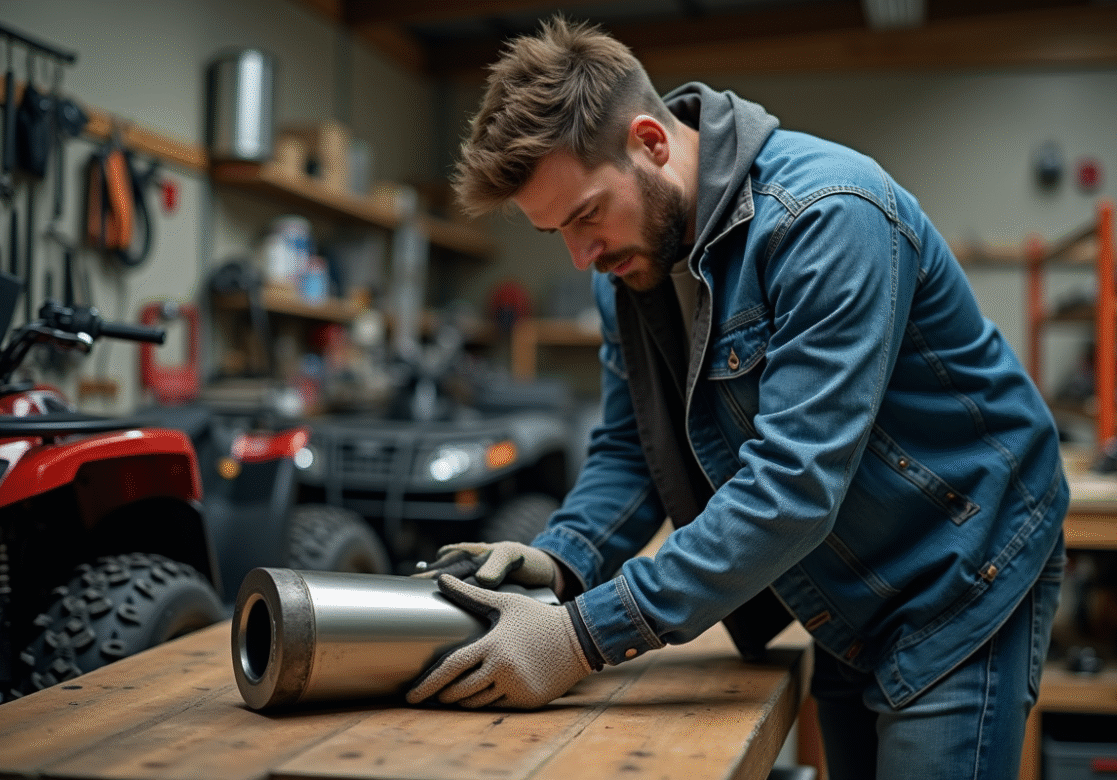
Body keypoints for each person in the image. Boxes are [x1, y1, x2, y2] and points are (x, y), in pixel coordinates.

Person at [407, 16, 1067, 779]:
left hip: (962, 563)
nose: (582, 255)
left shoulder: (826, 218)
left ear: (652, 143)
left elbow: (791, 486)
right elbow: (632, 450)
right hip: (843, 581)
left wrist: (581, 636)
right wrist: (559, 563)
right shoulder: (629, 267)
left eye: (586, 214)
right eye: (556, 230)